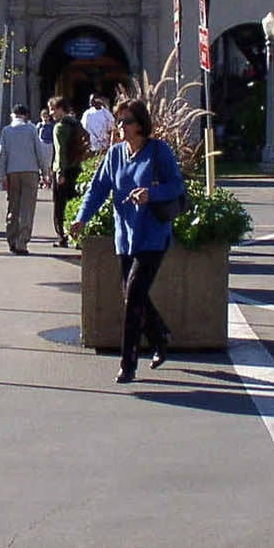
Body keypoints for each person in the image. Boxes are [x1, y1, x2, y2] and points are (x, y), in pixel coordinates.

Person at [69, 98, 185, 383]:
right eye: (119, 121)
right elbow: (98, 188)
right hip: (126, 237)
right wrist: (82, 218)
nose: (121, 126)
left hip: (153, 235)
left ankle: (128, 363)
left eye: (127, 121)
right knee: (132, 294)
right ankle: (159, 335)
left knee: (133, 298)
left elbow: (176, 186)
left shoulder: (158, 151)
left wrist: (151, 194)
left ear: (141, 125)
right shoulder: (115, 154)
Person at [0, 103, 43, 254]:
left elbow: (0, 154)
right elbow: (39, 151)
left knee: (13, 206)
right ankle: (22, 241)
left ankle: (11, 238)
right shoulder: (32, 129)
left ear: (13, 115)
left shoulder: (7, 131)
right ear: (25, 115)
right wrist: (44, 170)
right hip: (30, 171)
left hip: (12, 172)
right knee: (27, 208)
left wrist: (1, 175)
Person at [47, 96, 89, 247]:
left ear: (60, 109)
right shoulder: (76, 124)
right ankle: (77, 236)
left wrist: (60, 172)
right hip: (77, 168)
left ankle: (62, 237)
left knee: (60, 205)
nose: (51, 113)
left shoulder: (59, 127)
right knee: (75, 202)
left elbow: (60, 152)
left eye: (53, 109)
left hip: (64, 170)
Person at [83, 94, 116, 159]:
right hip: (92, 145)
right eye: (90, 101)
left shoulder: (106, 113)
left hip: (104, 144)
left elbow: (111, 128)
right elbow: (84, 129)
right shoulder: (87, 114)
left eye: (93, 100)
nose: (91, 103)